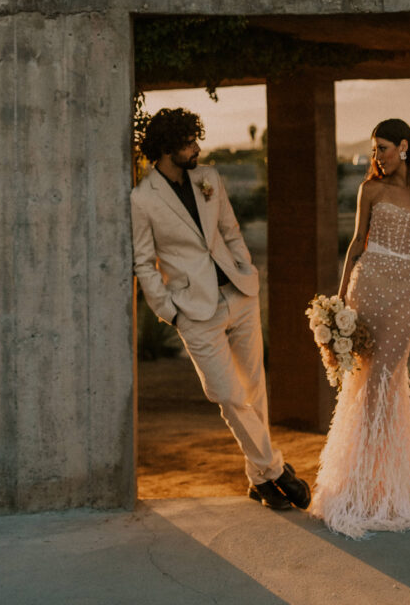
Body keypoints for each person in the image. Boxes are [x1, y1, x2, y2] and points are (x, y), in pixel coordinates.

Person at [131, 107, 310, 512]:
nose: (197, 148)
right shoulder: (143, 200)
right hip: (194, 312)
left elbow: (229, 230)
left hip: (240, 295)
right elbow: (144, 262)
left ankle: (260, 481)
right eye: (188, 142)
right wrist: (170, 311)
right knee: (228, 395)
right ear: (165, 148)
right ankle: (276, 471)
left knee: (255, 392)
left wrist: (247, 272)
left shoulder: (208, 178)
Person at [310, 118, 410, 537]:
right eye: (374, 149)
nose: (376, 155)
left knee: (386, 379)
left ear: (403, 147)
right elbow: (357, 242)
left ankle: (382, 485)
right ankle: (358, 482)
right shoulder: (370, 189)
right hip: (368, 285)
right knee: (362, 380)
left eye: (382, 148)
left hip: (406, 292)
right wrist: (339, 300)